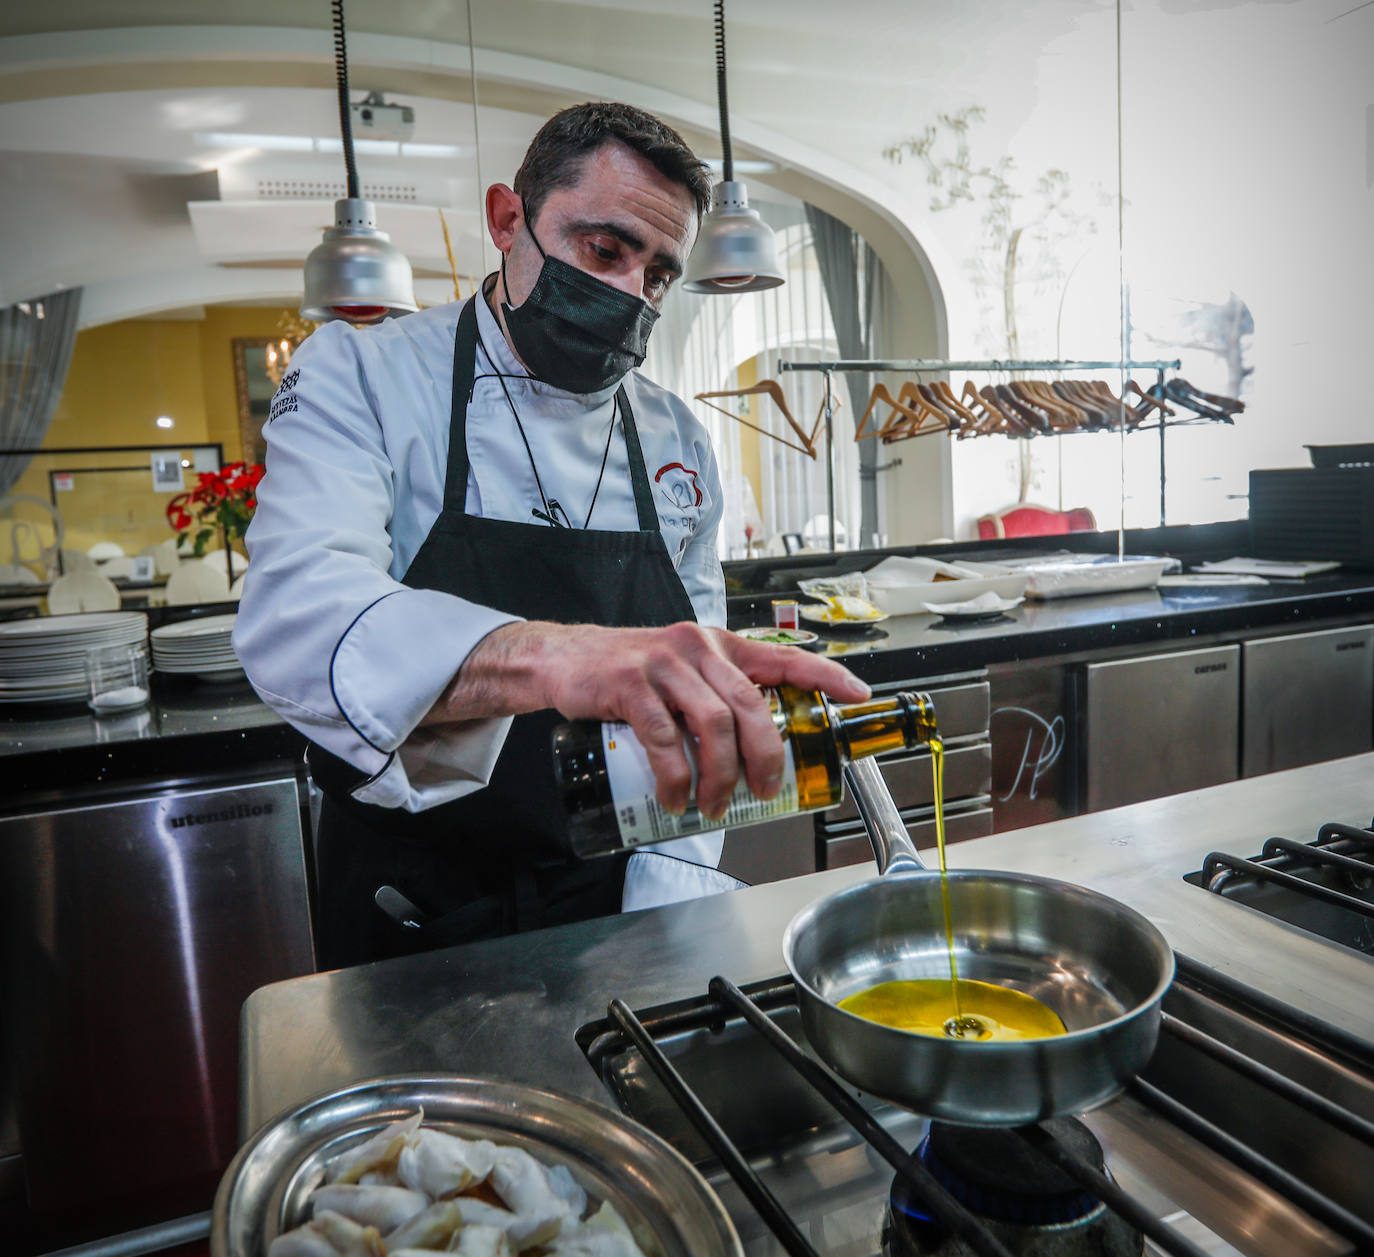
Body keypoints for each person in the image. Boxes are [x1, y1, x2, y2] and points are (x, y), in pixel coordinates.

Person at [234, 102, 869, 969]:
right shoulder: (363, 374)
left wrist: (666, 920)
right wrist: (560, 659)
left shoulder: (677, 437)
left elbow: (688, 706)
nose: (630, 292)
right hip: (412, 904)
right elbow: (301, 617)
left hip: (616, 893)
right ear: (508, 219)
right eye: (604, 250)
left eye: (658, 275)